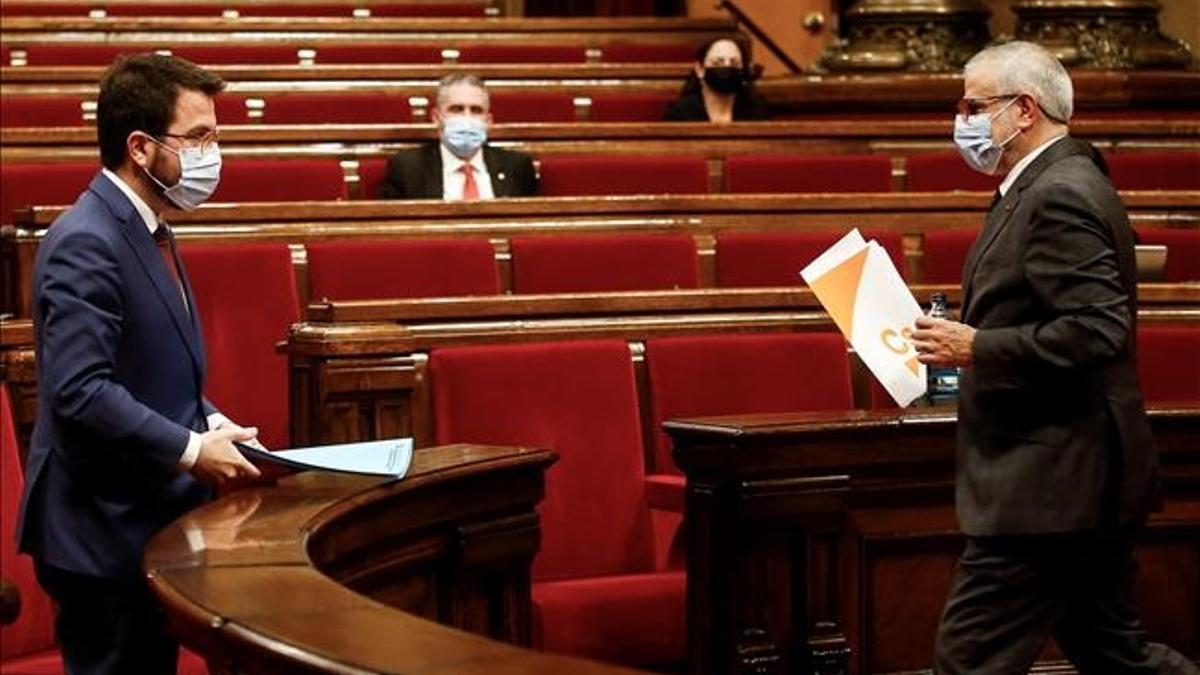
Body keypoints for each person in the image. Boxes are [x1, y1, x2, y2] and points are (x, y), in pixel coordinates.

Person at [912, 41, 1196, 675]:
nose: (962, 119)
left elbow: (1099, 330)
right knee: (1115, 652)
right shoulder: (1047, 182)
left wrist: (976, 345)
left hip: (1049, 485)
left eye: (972, 104)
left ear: (1022, 110)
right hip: (1075, 477)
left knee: (969, 662)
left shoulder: (1058, 192)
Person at [17, 53, 263, 675]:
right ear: (141, 148)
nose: (213, 153)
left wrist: (209, 423)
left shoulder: (147, 226)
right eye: (200, 137)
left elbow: (153, 367)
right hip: (101, 530)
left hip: (144, 519)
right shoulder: (85, 240)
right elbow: (81, 391)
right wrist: (190, 448)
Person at [378, 73, 538, 200]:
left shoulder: (517, 167)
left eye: (476, 110)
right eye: (456, 109)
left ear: (488, 121)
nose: (466, 118)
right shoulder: (408, 168)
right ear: (436, 117)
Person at [663, 37, 769, 123]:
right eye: (717, 63)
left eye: (734, 63)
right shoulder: (681, 112)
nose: (727, 67)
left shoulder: (756, 109)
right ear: (700, 69)